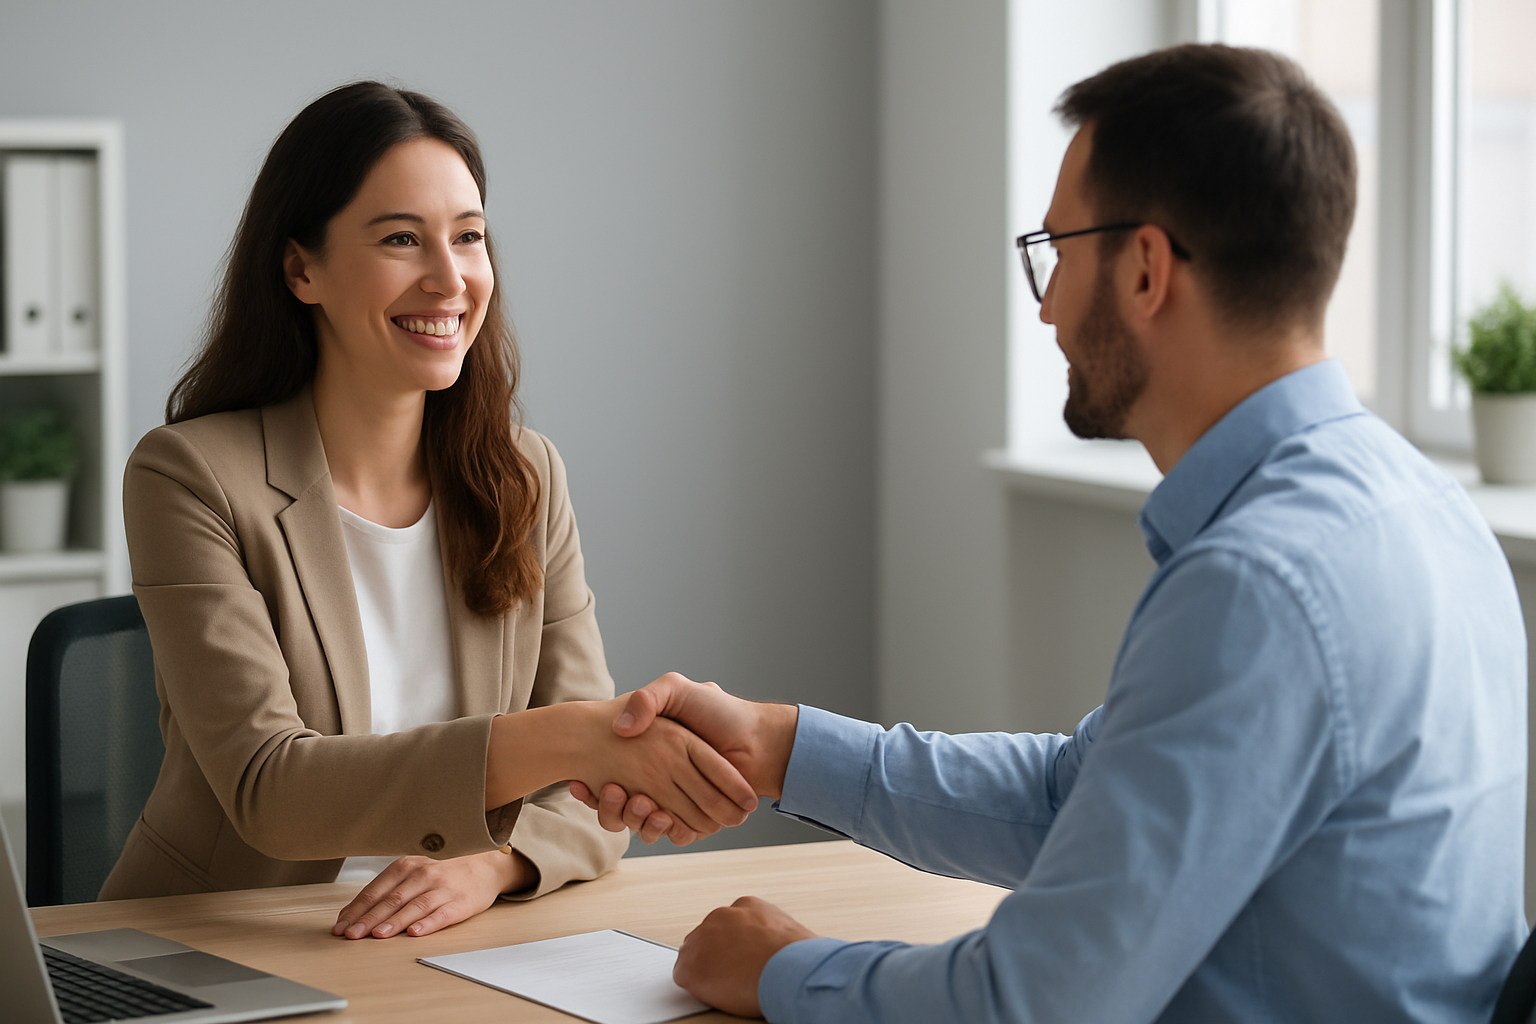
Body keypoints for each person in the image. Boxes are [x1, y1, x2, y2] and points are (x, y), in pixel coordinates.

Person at [573, 44, 1529, 1022]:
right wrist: (781, 745)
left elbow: (1032, 1002)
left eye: (1058, 254)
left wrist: (785, 968)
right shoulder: (1424, 508)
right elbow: (1087, 800)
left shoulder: (1260, 585)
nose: (1049, 310)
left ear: (1146, 270)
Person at [99, 82, 756, 942]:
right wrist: (570, 736)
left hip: (452, 938)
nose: (450, 280)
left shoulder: (524, 475)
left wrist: (492, 864)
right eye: (402, 239)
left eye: (469, 237)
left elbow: (593, 801)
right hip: (222, 937)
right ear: (301, 269)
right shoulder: (190, 475)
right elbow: (270, 789)